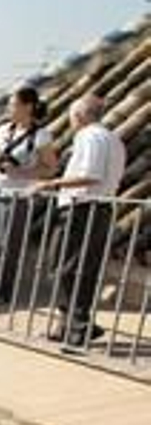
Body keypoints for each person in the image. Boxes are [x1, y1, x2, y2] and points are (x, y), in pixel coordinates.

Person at [34, 94, 127, 346]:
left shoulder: (88, 136)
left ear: (80, 115)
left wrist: (51, 183)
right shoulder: (114, 138)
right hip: (102, 207)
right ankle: (71, 326)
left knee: (64, 267)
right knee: (82, 269)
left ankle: (78, 326)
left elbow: (90, 175)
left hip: (82, 208)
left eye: (72, 115)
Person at [0, 86, 57, 302]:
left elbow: (51, 168)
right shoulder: (4, 130)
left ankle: (2, 293)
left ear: (28, 107)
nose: (9, 108)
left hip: (16, 194)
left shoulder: (41, 135)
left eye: (13, 104)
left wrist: (21, 171)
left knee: (9, 246)